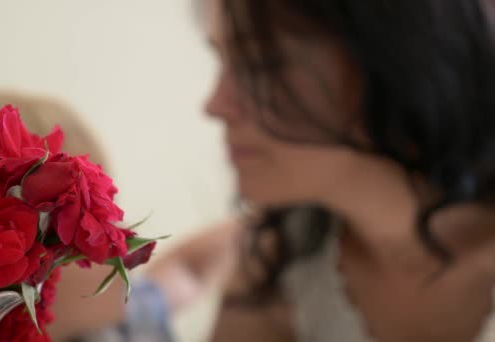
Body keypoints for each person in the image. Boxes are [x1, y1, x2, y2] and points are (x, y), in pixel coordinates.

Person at [200, 0, 495, 341]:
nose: (214, 105)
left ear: (396, 57)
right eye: (222, 62)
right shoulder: (280, 257)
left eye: (260, 63)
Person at [0, 89, 237, 341]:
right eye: (80, 233)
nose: (120, 242)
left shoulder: (116, 323)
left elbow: (188, 270)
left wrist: (256, 224)